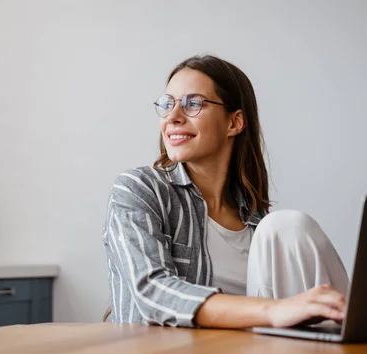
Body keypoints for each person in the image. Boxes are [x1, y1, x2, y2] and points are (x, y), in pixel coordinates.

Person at [102, 54, 349, 329]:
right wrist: (274, 310)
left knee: (287, 227)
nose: (173, 117)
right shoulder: (139, 189)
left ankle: (351, 330)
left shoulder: (258, 224)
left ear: (234, 123)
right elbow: (152, 291)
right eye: (167, 104)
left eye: (193, 104)